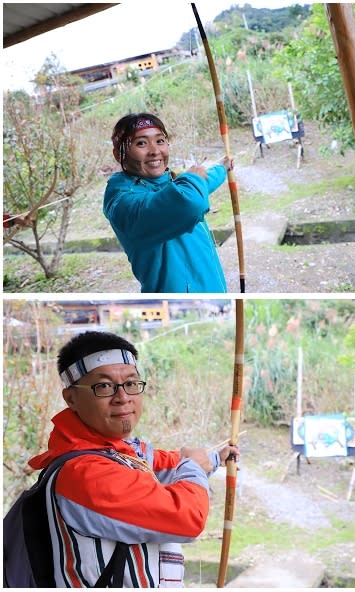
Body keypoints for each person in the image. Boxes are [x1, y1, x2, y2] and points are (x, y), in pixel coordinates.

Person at [28, 330, 239, 587]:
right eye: (104, 386)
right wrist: (194, 467)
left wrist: (215, 458)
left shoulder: (116, 451)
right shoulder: (85, 473)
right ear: (71, 398)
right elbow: (187, 518)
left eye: (130, 383)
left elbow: (161, 464)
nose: (123, 397)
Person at [104, 113, 232, 293]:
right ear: (119, 154)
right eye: (141, 143)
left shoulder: (169, 186)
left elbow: (203, 182)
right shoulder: (123, 201)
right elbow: (188, 200)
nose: (155, 151)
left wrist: (222, 168)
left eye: (160, 141)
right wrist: (192, 177)